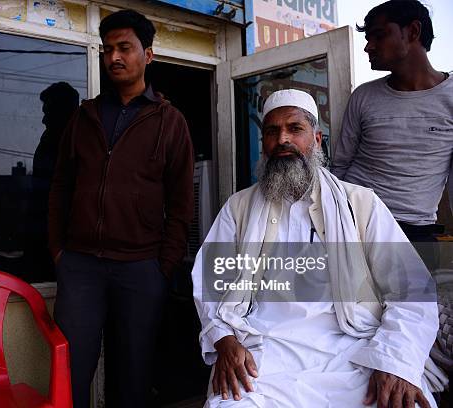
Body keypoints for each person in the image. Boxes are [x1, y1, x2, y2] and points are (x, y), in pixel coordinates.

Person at [192, 89, 447, 407]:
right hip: (265, 353)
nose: (282, 139)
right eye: (272, 131)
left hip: (353, 351)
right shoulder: (239, 208)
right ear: (264, 144)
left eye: (294, 129)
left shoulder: (359, 203)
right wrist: (224, 339)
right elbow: (210, 282)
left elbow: (410, 291)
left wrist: (394, 362)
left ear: (317, 138)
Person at [48, 9, 194, 407]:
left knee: (132, 376)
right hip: (80, 266)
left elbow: (181, 203)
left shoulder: (170, 121)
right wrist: (59, 251)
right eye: (107, 48)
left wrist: (163, 266)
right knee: (70, 373)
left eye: (124, 48)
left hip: (140, 267)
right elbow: (60, 186)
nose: (114, 56)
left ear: (148, 54)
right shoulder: (84, 118)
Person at [331, 0, 453, 243]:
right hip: (353, 224)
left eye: (378, 35)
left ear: (413, 32)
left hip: (414, 232)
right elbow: (339, 168)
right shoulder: (364, 96)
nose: (368, 47)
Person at [24, 82, 79, 281]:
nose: (44, 119)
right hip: (44, 232)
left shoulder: (81, 142)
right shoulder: (50, 139)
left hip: (65, 241)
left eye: (49, 112)